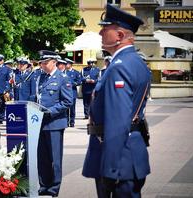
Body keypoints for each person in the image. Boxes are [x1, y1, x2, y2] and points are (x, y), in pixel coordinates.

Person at [82, 4, 151, 197]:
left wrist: (111, 169)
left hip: (118, 159)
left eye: (106, 28)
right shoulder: (136, 62)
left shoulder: (119, 67)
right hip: (128, 154)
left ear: (119, 36)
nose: (100, 32)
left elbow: (118, 121)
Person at [36, 50, 73, 197]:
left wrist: (50, 111)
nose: (43, 66)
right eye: (41, 63)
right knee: (42, 157)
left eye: (45, 63)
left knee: (54, 158)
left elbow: (67, 101)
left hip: (54, 124)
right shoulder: (41, 78)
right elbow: (37, 98)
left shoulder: (63, 78)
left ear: (54, 62)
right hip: (39, 123)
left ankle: (54, 187)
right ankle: (44, 185)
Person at [0, 54, 13, 124]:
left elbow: (8, 80)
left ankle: (1, 118)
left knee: (3, 104)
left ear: (3, 60)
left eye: (0, 60)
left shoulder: (7, 69)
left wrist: (7, 89)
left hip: (3, 89)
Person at [65, 58, 82, 127]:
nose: (66, 65)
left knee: (72, 109)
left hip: (72, 93)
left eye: (67, 64)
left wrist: (72, 84)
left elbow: (79, 81)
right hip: (65, 93)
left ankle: (72, 122)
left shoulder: (75, 72)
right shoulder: (63, 72)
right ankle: (66, 122)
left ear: (70, 64)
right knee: (65, 109)